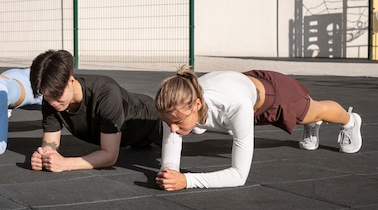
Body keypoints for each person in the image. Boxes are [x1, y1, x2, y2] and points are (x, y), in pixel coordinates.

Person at [154, 66, 363, 190]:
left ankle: (350, 120)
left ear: (197, 105)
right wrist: (168, 173)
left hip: (273, 96)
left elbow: (238, 175)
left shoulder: (236, 107)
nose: (172, 129)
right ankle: (310, 123)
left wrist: (186, 181)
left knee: (317, 110)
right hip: (244, 85)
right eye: (168, 122)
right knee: (185, 126)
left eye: (178, 122)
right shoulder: (177, 106)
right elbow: (171, 161)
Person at [29, 49, 163, 172]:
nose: (52, 102)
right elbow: (50, 146)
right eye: (46, 95)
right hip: (129, 138)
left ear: (71, 81)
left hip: (151, 119)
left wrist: (65, 164)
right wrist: (43, 157)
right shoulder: (51, 99)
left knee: (177, 146)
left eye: (57, 96)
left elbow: (109, 156)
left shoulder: (105, 94)